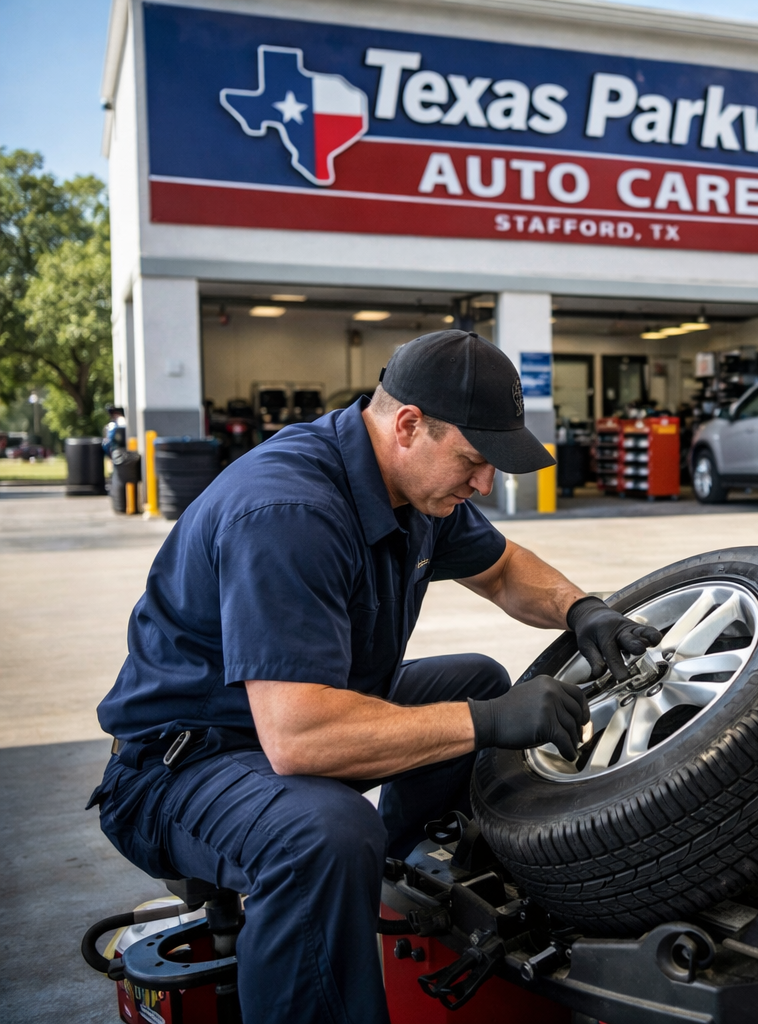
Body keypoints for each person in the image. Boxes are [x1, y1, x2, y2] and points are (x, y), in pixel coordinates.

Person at [90, 331, 662, 1023]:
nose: (485, 483)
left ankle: (403, 885)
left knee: (475, 678)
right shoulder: (291, 512)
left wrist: (584, 611)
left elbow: (506, 569)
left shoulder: (413, 488)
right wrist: (492, 722)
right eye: (475, 460)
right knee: (325, 835)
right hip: (179, 768)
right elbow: (299, 740)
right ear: (409, 425)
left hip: (281, 721)